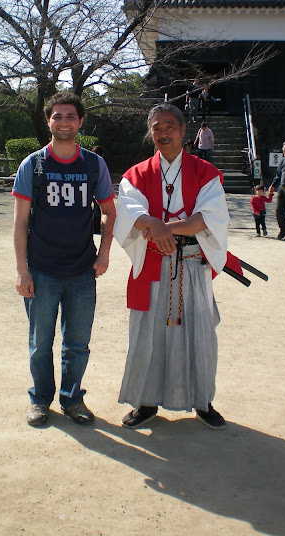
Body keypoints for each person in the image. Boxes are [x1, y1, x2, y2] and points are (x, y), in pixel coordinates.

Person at [113, 103, 229, 430]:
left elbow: (206, 219)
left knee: (200, 334)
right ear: (150, 133)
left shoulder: (205, 173)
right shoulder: (135, 175)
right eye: (156, 127)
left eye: (169, 126)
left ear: (182, 131)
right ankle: (146, 401)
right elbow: (130, 214)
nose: (163, 132)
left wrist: (165, 227)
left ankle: (202, 400)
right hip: (152, 264)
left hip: (192, 266)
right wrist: (152, 224)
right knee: (148, 335)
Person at [12, 92, 116, 427]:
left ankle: (73, 400)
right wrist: (21, 271)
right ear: (48, 121)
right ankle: (40, 400)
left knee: (77, 344)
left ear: (80, 121)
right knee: (40, 343)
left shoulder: (92, 164)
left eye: (70, 116)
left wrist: (104, 254)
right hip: (41, 271)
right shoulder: (34, 164)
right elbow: (19, 222)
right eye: (57, 116)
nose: (64, 122)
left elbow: (109, 213)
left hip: (82, 270)